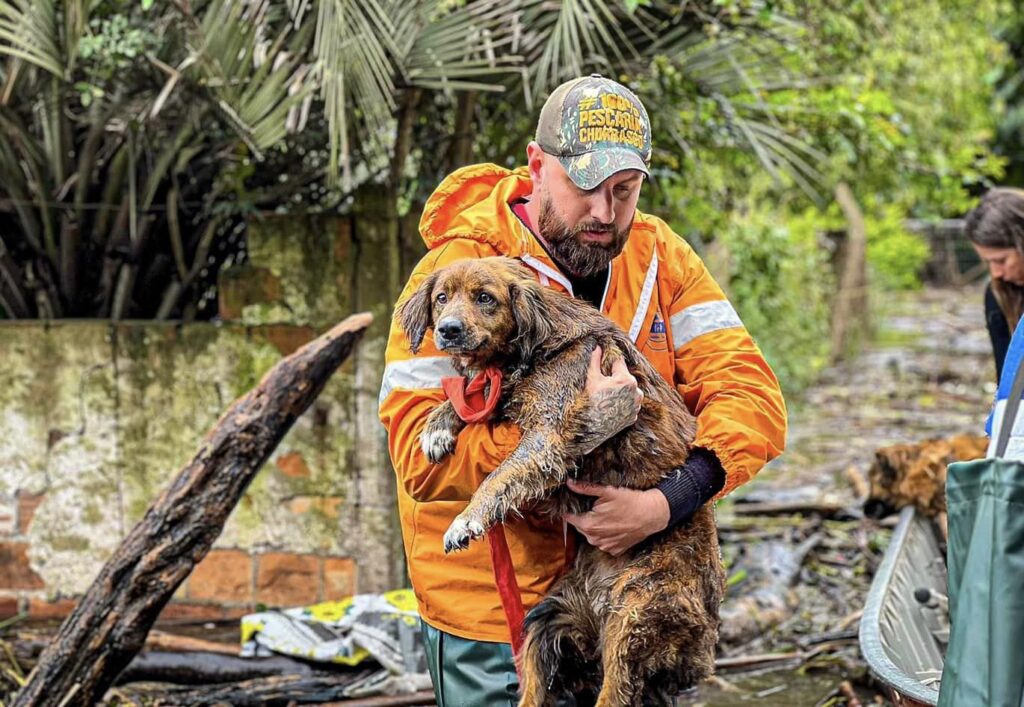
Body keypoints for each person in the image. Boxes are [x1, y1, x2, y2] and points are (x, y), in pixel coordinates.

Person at [378, 75, 787, 705]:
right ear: (538, 166)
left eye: (624, 192)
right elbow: (417, 457)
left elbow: (750, 395)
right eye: (585, 188)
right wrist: (569, 433)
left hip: (632, 592)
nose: (604, 213)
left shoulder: (660, 258)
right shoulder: (457, 278)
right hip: (495, 611)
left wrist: (668, 501)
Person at [965, 187, 1024, 381]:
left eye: (1001, 260)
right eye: (988, 262)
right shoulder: (999, 295)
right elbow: (1006, 381)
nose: (996, 273)